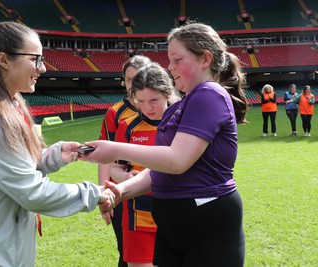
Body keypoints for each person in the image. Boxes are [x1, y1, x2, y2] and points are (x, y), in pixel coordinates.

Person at [0, 18, 114, 267]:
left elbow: (8, 167)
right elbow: (31, 193)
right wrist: (94, 194)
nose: (43, 68)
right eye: (35, 59)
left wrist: (52, 156)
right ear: (4, 60)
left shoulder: (3, 107)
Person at [82, 22, 248, 267]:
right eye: (169, 60)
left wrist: (115, 148)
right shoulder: (187, 102)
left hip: (205, 223)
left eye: (177, 59)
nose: (170, 67)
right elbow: (162, 168)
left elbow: (176, 160)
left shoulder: (209, 94)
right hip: (176, 227)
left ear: (205, 59)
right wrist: (121, 192)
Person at [109, 62, 180, 267]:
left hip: (177, 212)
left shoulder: (183, 122)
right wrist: (124, 178)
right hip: (137, 215)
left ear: (168, 93)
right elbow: (115, 167)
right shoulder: (127, 127)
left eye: (154, 100)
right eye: (141, 101)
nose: (148, 107)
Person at [98, 55, 151, 267]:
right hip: (124, 193)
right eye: (129, 79)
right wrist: (104, 192)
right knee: (128, 253)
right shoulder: (115, 113)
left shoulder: (167, 108)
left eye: (139, 77)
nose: (134, 83)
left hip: (161, 193)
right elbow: (105, 156)